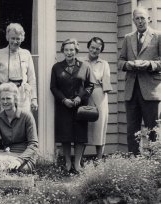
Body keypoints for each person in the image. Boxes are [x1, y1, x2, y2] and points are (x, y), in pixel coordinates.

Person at [118, 7, 161, 155]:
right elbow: (120, 61)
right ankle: (134, 163)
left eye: (143, 18)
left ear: (148, 18)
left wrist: (149, 64)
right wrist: (127, 65)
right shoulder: (128, 38)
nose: (141, 21)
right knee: (132, 131)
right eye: (138, 18)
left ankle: (154, 164)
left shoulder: (158, 36)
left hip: (150, 90)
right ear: (133, 20)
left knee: (152, 130)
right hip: (131, 91)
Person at [50, 39, 94, 172]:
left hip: (80, 107)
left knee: (80, 135)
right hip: (64, 107)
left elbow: (90, 85)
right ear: (63, 51)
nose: (69, 52)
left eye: (72, 50)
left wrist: (79, 97)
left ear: (76, 51)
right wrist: (64, 100)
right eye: (66, 50)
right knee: (66, 135)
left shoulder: (85, 66)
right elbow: (53, 87)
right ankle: (68, 163)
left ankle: (77, 163)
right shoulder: (56, 67)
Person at [0, 83, 39, 174]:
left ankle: (2, 180)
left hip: (24, 157)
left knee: (1, 167)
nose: (5, 102)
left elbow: (33, 145)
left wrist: (19, 160)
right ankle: (0, 176)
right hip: (5, 154)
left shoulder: (26, 116)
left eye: (8, 98)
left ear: (15, 99)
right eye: (2, 99)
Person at [0, 23, 38, 113]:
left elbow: (32, 78)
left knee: (23, 121)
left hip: (23, 95)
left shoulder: (26, 54)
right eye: (13, 38)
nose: (15, 41)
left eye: (18, 39)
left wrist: (34, 99)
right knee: (7, 123)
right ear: (8, 38)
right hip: (5, 95)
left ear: (22, 39)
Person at [81, 37, 112, 160]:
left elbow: (106, 84)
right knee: (83, 125)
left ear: (101, 51)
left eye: (97, 49)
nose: (94, 50)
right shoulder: (81, 61)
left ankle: (99, 159)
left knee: (100, 125)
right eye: (92, 47)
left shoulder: (104, 64)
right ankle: (80, 159)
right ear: (88, 47)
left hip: (99, 95)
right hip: (84, 95)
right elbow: (79, 80)